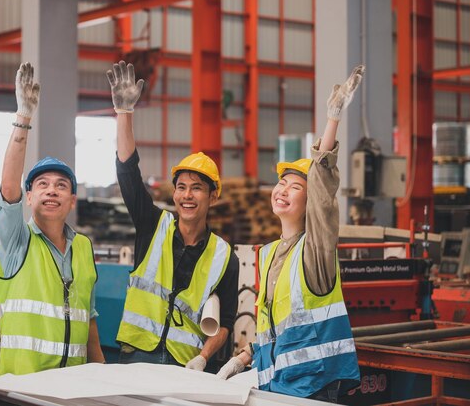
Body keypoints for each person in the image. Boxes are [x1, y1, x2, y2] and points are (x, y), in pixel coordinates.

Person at [217, 65, 365, 402]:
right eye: (281, 182)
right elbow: (276, 328)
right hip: (278, 387)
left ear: (310, 200)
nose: (282, 189)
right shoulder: (268, 254)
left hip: (314, 387)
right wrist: (243, 358)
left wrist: (332, 120)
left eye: (295, 186)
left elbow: (323, 186)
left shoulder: (315, 250)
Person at [106, 60, 239, 372]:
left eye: (197, 189)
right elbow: (127, 172)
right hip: (136, 357)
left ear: (213, 197)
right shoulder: (153, 226)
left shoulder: (224, 257)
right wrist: (124, 113)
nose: (187, 196)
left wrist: (203, 357)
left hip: (184, 365)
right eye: (181, 187)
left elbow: (226, 322)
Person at [0, 62, 104, 375]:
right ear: (29, 197)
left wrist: (101, 374)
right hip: (24, 387)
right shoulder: (16, 243)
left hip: (73, 388)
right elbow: (9, 186)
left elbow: (89, 319)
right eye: (41, 184)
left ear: (72, 201)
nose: (51, 191)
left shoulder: (83, 248)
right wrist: (23, 118)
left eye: (61, 185)